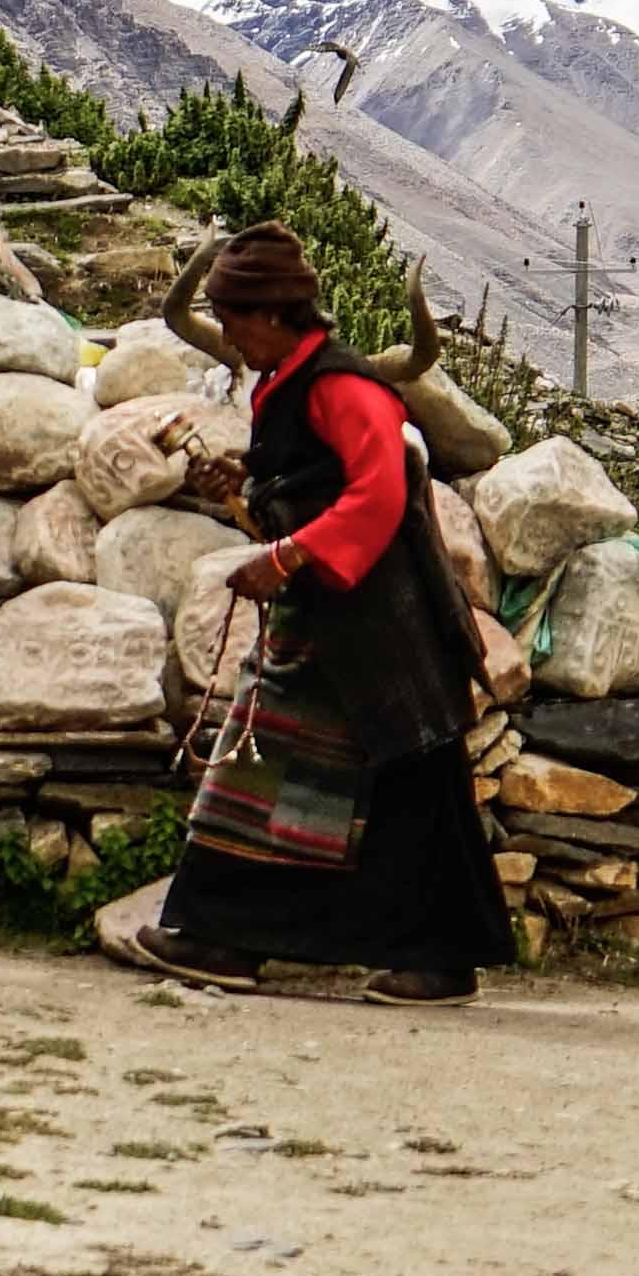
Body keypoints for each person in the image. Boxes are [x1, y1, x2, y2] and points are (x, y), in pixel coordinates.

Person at [129, 222, 517, 1007]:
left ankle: (436, 960)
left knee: (407, 780)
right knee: (269, 774)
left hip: (383, 621)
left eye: (233, 321)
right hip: (329, 615)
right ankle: (225, 937)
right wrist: (241, 479)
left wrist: (281, 559)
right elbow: (309, 479)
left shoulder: (346, 389)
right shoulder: (288, 382)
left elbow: (375, 497)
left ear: (273, 314)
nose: (229, 340)